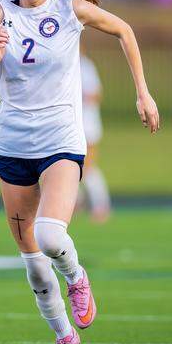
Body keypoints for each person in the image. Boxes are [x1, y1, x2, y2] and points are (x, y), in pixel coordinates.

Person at [0, 0, 159, 344]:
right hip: (12, 146)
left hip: (61, 141)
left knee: (52, 237)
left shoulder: (68, 10)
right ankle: (64, 339)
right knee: (33, 263)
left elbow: (125, 31)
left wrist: (143, 94)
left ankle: (76, 276)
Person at [80, 53, 111, 222]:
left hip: (87, 125)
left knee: (87, 167)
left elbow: (96, 94)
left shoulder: (84, 66)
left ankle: (101, 205)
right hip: (69, 125)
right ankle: (76, 203)